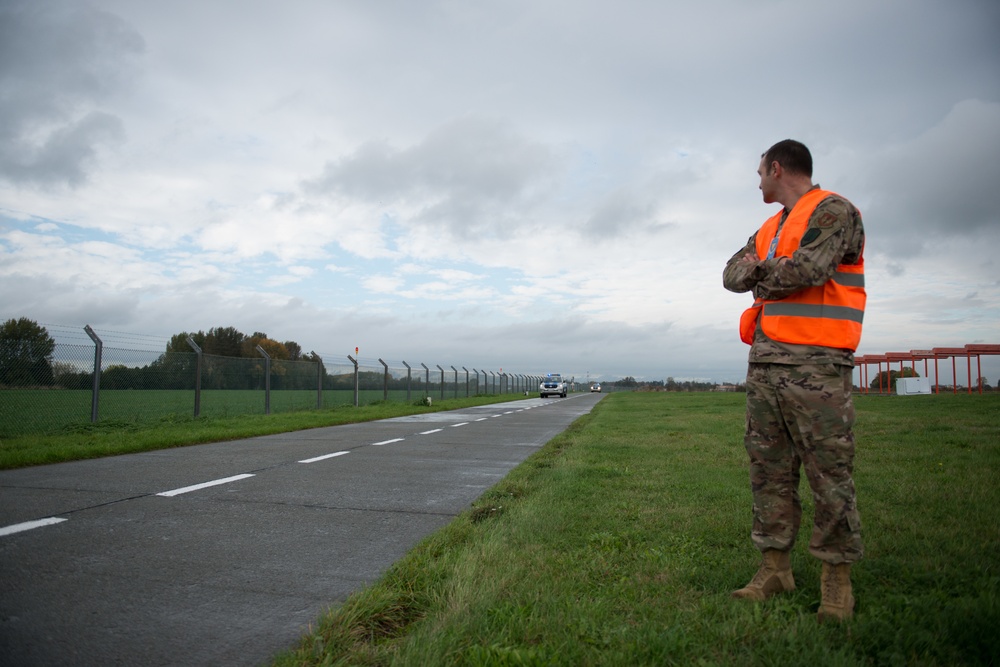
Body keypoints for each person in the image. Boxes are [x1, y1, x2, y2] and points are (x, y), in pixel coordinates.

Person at [722, 139, 865, 621]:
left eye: (759, 171)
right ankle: (775, 569)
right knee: (768, 471)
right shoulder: (769, 228)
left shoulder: (835, 211)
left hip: (818, 367)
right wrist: (768, 271)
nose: (757, 181)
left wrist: (759, 274)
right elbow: (729, 273)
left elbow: (812, 268)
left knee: (829, 474)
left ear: (777, 168)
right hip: (765, 367)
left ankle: (836, 582)